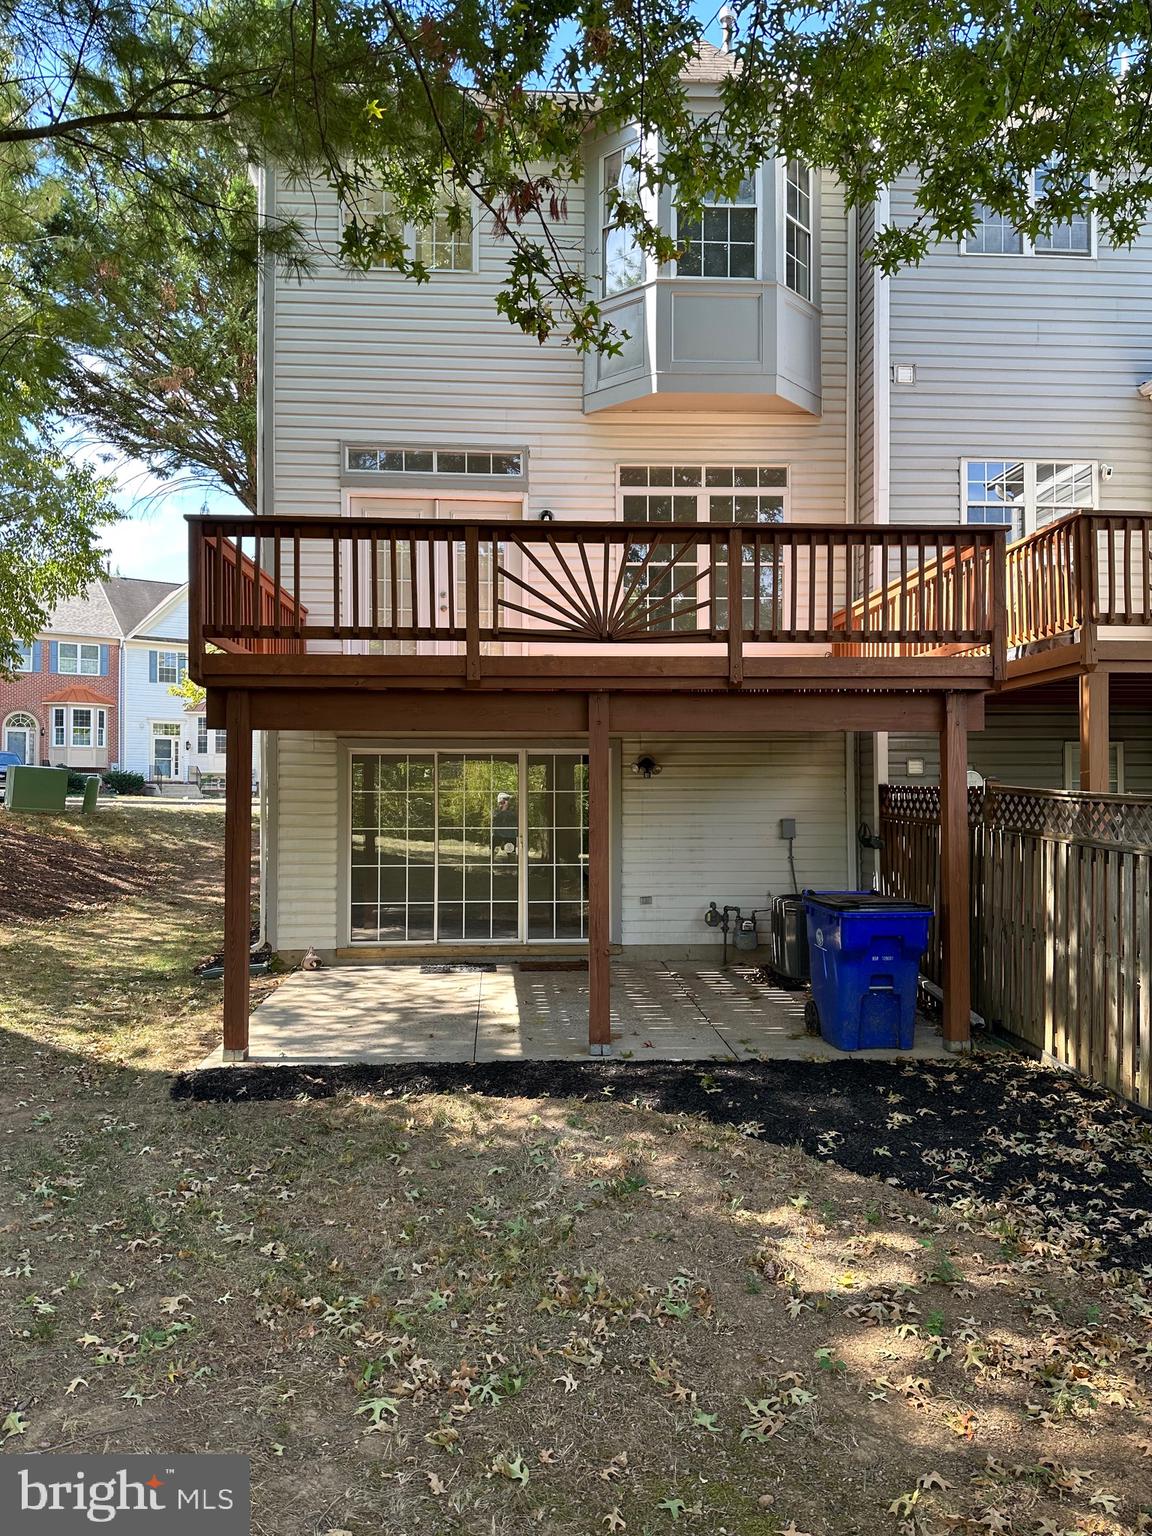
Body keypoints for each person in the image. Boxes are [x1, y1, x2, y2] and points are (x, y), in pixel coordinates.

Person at [492, 791, 518, 859]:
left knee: (512, 855)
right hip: (498, 836)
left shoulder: (512, 812)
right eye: (506, 800)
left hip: (510, 837)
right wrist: (504, 809)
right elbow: (496, 819)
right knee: (494, 855)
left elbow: (515, 818)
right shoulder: (496, 812)